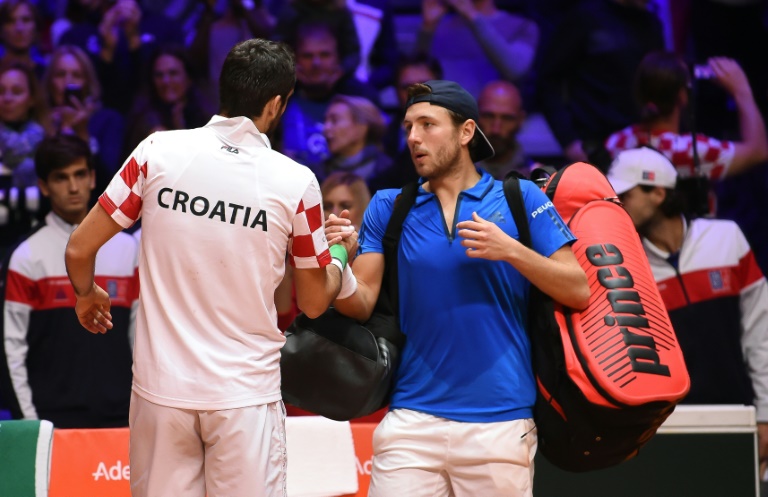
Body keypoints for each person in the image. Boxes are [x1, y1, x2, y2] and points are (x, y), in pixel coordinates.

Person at [64, 38, 354, 497]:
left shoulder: (156, 151)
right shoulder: (296, 182)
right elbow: (315, 302)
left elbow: (80, 248)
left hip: (161, 391)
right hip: (243, 398)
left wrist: (86, 293)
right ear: (276, 105)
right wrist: (339, 255)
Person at [327, 80, 590, 496]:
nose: (413, 137)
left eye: (427, 124)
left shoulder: (519, 196)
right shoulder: (389, 205)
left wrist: (511, 251)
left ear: (466, 132)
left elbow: (578, 289)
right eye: (408, 127)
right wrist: (338, 261)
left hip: (501, 423)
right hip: (411, 420)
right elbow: (358, 305)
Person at [606, 146, 768, 473]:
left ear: (658, 193)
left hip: (738, 415)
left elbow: (760, 333)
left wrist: (765, 414)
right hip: (668, 428)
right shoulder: (624, 267)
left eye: (625, 195)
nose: (617, 206)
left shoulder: (726, 238)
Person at [0, 134, 138, 428]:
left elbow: (141, 340)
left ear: (92, 178)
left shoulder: (129, 250)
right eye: (61, 178)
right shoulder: (25, 256)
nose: (73, 187)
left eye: (80, 174)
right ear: (43, 186)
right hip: (52, 420)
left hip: (123, 417)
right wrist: (31, 426)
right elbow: (11, 349)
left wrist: (142, 414)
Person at [605, 52, 768, 182]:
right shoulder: (690, 151)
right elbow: (759, 151)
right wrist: (741, 89)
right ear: (683, 96)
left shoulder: (615, 143)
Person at [537, 0, 664, 164]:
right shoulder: (585, 17)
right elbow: (548, 81)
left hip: (641, 145)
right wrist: (568, 141)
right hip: (594, 147)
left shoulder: (651, 23)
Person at [415, 0, 538, 99]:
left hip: (493, 119)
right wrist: (427, 29)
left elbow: (514, 70)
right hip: (446, 115)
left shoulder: (521, 26)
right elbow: (416, 74)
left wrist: (473, 16)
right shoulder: (437, 26)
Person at [42, 44, 126, 177]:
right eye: (60, 75)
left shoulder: (108, 120)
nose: (68, 82)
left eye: (76, 75)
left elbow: (108, 178)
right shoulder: (40, 120)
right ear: (50, 81)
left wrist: (83, 135)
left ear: (88, 82)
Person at [322, 94, 394, 191]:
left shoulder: (388, 173)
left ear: (361, 129)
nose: (326, 128)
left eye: (334, 120)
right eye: (325, 121)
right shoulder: (319, 173)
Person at [476, 79, 531, 179]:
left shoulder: (535, 177)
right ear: (475, 115)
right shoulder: (452, 172)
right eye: (488, 116)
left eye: (507, 118)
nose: (496, 130)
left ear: (520, 120)